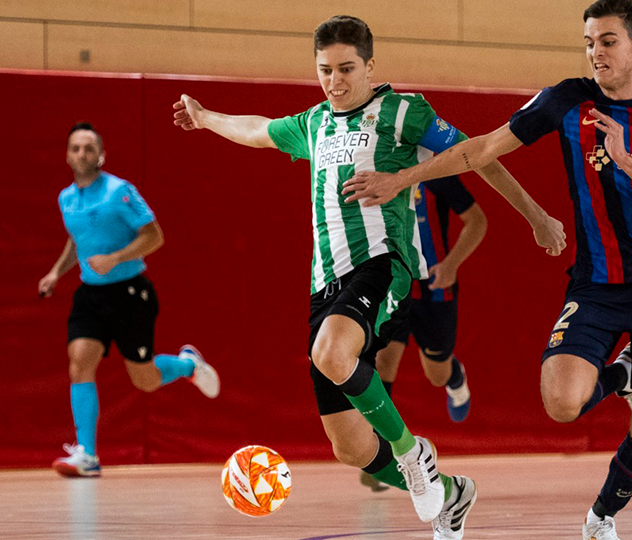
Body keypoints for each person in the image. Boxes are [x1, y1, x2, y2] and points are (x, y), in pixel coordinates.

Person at [172, 15, 563, 538]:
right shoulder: (313, 123)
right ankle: (449, 492)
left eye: (346, 69)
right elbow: (258, 130)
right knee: (350, 446)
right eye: (325, 70)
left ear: (370, 65)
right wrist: (205, 118)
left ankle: (412, 453)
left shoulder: (403, 111)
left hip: (382, 263)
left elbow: (479, 154)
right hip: (325, 282)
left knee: (331, 355)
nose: (335, 81)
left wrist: (536, 215)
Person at [342, 1, 632, 538]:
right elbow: (483, 147)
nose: (595, 52)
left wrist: (624, 158)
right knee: (561, 403)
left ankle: (601, 517)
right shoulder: (565, 100)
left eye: (607, 40)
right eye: (588, 41)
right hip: (598, 283)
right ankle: (621, 373)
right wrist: (404, 178)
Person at [40, 122, 220, 478]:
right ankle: (88, 455)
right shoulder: (67, 198)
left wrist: (116, 258)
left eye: (88, 148)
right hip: (90, 295)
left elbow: (154, 237)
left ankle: (186, 365)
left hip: (130, 294)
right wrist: (55, 273)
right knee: (79, 363)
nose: (81, 154)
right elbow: (78, 240)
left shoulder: (119, 192)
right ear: (67, 155)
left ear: (101, 155)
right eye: (75, 148)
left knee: (145, 379)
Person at [361, 176, 486, 492]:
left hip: (434, 289)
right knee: (383, 362)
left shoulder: (437, 172)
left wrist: (451, 264)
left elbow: (477, 221)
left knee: (436, 373)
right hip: (393, 286)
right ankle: (385, 454)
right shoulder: (375, 168)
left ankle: (454, 376)